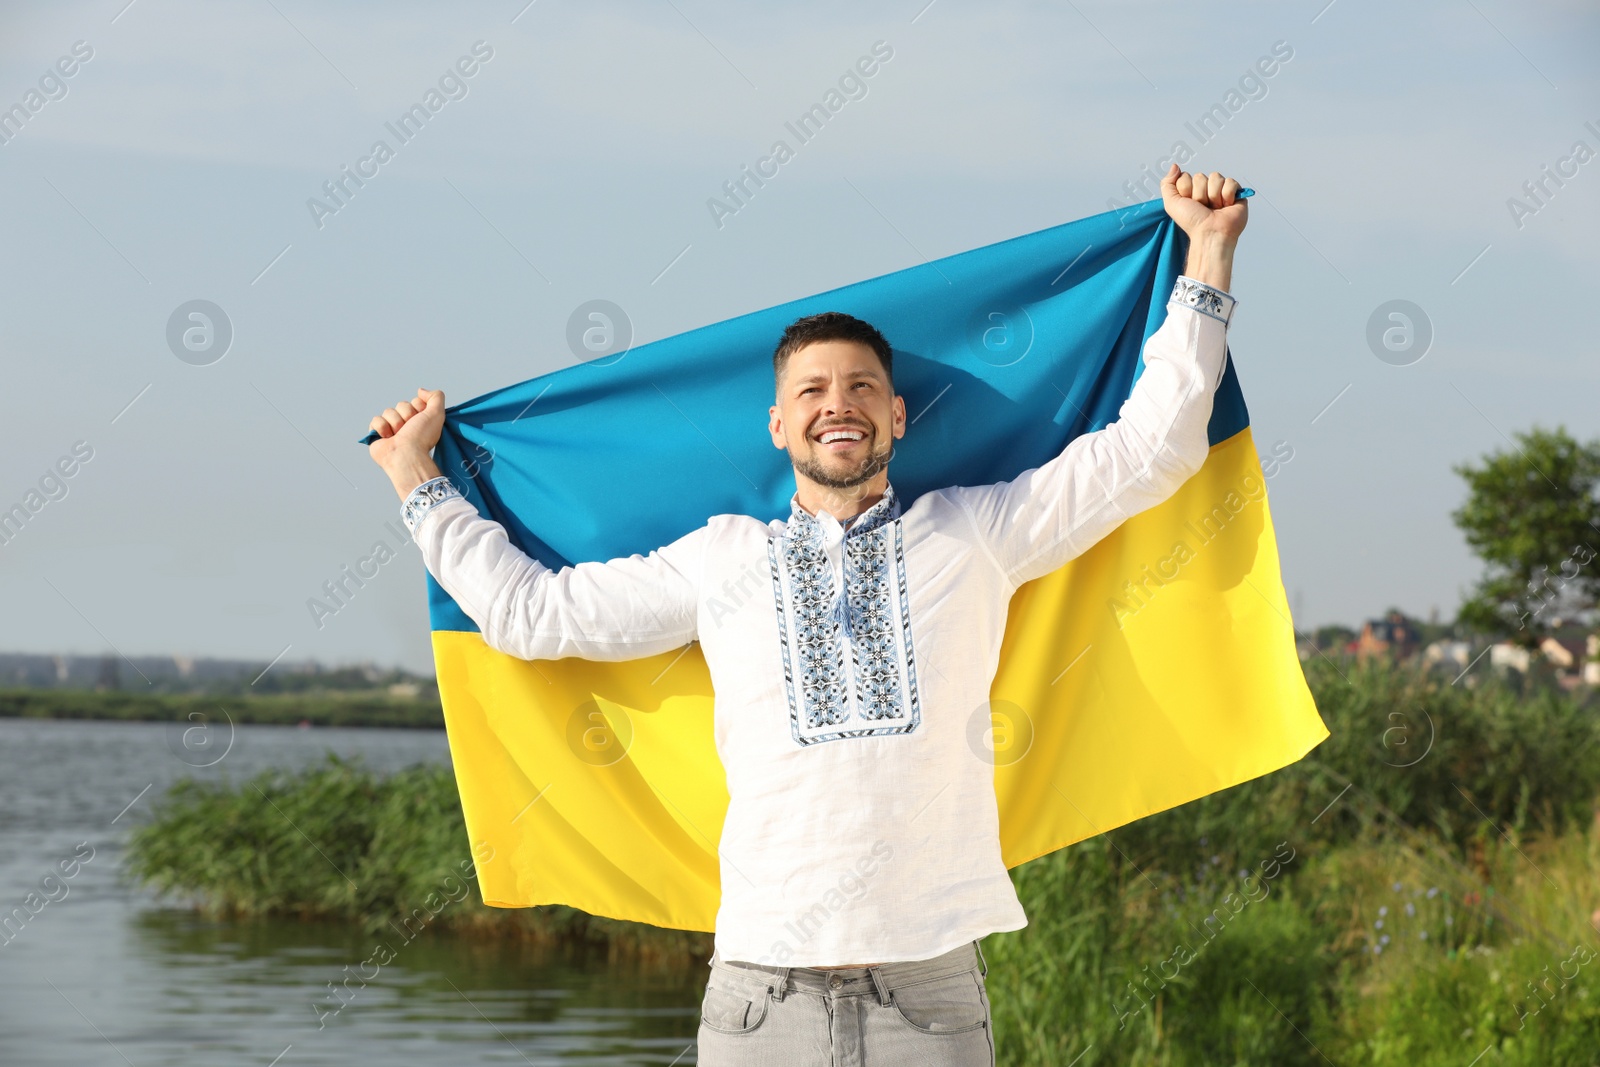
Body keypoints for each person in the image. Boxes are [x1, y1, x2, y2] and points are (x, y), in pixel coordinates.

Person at [367, 164, 1247, 1066]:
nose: (839, 403)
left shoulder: (977, 533)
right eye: (813, 391)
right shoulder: (721, 560)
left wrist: (1207, 252)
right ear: (779, 426)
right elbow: (527, 614)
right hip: (761, 1000)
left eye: (862, 387)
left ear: (897, 416)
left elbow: (1154, 448)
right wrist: (415, 477)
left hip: (930, 997)